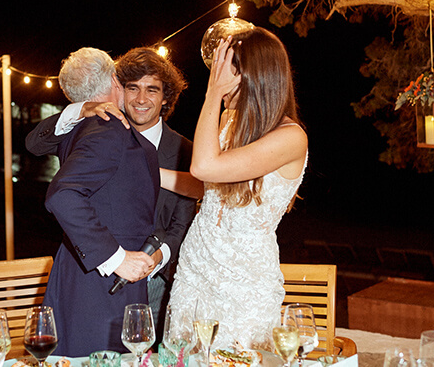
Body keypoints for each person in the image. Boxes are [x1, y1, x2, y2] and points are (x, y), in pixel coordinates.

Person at [26, 47, 200, 338]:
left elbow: (182, 222)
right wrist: (83, 107)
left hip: (158, 278)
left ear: (166, 97)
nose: (141, 99)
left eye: (152, 90)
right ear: (118, 87)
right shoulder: (100, 127)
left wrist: (157, 257)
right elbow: (35, 146)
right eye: (132, 88)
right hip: (97, 271)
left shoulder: (185, 150)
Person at [168, 28, 308, 351]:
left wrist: (211, 94)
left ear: (253, 75)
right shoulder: (231, 121)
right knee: (183, 356)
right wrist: (150, 173)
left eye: (226, 70)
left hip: (244, 281)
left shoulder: (291, 138)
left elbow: (203, 166)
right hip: (196, 267)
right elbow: (206, 186)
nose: (218, 77)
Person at [40, 47, 159, 356]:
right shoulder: (107, 128)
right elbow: (62, 194)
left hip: (85, 271)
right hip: (103, 285)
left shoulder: (82, 126)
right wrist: (117, 258)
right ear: (114, 80)